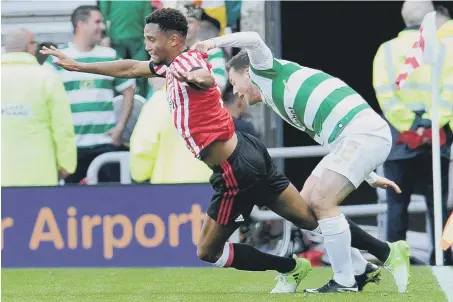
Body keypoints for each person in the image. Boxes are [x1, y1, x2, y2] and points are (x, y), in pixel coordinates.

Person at [41, 8, 406, 295]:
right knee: (312, 217)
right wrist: (78, 65)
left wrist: (192, 79)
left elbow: (203, 77)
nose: (147, 45)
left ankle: (294, 269)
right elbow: (130, 67)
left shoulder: (191, 63)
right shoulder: (166, 64)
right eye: (146, 39)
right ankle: (385, 254)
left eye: (152, 39)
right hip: (249, 154)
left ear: (173, 39)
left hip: (233, 169)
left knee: (207, 253)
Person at [191, 31, 412, 293]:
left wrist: (212, 43)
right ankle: (363, 266)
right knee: (305, 209)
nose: (236, 91)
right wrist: (369, 173)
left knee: (322, 201)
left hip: (362, 134)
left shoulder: (264, 71)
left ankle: (345, 281)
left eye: (234, 81)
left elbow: (253, 38)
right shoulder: (276, 97)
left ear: (248, 72)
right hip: (353, 140)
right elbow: (331, 138)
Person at [373, 1, 453, 265]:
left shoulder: (385, 51)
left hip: (399, 141)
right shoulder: (444, 49)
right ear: (430, 18)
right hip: (435, 138)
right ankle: (443, 260)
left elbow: (384, 94)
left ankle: (396, 264)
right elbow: (449, 93)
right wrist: (429, 122)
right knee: (438, 207)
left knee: (396, 207)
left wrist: (410, 124)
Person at [44, 5, 136, 184]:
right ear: (81, 24)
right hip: (72, 146)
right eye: (98, 22)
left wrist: (120, 127)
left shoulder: (110, 55)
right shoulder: (57, 59)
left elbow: (129, 89)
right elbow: (44, 98)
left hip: (105, 143)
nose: (102, 27)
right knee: (71, 205)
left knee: (111, 203)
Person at [2, 29, 76, 187]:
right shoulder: (47, 78)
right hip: (40, 175)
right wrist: (66, 164)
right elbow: (62, 127)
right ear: (30, 47)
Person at [182, 4, 227, 93]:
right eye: (182, 22)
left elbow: (220, 84)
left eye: (190, 22)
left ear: (198, 25)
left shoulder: (212, 50)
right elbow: (155, 83)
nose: (185, 26)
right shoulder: (168, 50)